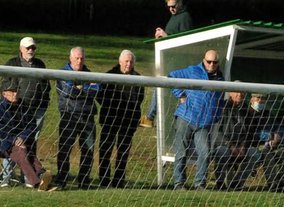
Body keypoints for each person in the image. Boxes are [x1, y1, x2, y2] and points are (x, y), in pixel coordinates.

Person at [168, 50, 224, 190]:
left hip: (204, 124)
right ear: (203, 60)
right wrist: (180, 95)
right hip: (185, 117)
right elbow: (171, 76)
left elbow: (219, 100)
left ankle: (200, 184)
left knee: (205, 153)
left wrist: (216, 116)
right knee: (181, 152)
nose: (211, 65)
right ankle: (179, 184)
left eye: (215, 62)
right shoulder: (193, 71)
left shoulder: (221, 79)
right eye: (209, 61)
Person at [1, 37, 50, 183]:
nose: (31, 50)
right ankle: (6, 177)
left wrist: (44, 103)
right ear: (21, 49)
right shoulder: (12, 64)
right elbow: (4, 86)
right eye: (28, 48)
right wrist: (10, 103)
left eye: (33, 48)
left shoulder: (40, 64)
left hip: (36, 110)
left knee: (31, 142)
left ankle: (27, 176)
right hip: (16, 110)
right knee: (12, 141)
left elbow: (46, 86)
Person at [0, 88, 54, 191]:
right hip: (1, 142)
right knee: (21, 150)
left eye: (17, 91)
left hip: (22, 142)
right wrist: (13, 140)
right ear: (4, 93)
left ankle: (42, 177)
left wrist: (22, 137)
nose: (16, 94)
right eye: (12, 91)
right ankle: (37, 181)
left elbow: (32, 126)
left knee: (24, 149)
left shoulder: (24, 106)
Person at [141, 0, 197, 128]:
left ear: (180, 3)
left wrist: (166, 36)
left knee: (162, 85)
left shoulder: (185, 17)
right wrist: (160, 38)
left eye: (173, 6)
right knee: (160, 85)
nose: (171, 9)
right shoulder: (174, 17)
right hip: (170, 59)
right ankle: (151, 117)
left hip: (178, 61)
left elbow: (185, 41)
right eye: (168, 7)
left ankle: (151, 117)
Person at [98, 50, 144, 189]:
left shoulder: (138, 79)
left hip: (128, 120)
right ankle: (104, 180)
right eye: (126, 61)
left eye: (131, 62)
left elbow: (139, 99)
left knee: (123, 151)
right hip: (110, 118)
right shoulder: (109, 76)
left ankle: (119, 181)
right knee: (105, 149)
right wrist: (112, 107)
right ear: (120, 62)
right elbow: (100, 96)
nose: (128, 64)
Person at [55, 46, 99, 190]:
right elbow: (68, 91)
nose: (79, 61)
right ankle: (61, 180)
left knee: (88, 150)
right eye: (77, 58)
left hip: (87, 117)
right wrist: (85, 89)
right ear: (70, 58)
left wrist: (80, 89)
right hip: (69, 116)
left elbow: (96, 90)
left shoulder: (89, 73)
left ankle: (84, 182)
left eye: (82, 58)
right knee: (65, 149)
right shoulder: (62, 73)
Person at [211, 90, 266, 190]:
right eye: (236, 92)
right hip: (224, 144)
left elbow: (249, 132)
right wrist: (230, 145)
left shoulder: (246, 109)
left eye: (241, 92)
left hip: (241, 146)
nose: (239, 95)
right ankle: (220, 183)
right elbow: (217, 132)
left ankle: (237, 182)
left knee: (255, 154)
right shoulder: (222, 107)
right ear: (230, 93)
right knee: (222, 152)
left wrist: (243, 145)